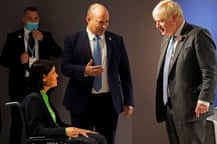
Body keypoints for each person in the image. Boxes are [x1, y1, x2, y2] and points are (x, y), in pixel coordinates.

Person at [61, 3, 134, 144]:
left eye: (107, 22)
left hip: (108, 102)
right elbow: (65, 67)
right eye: (100, 22)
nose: (104, 26)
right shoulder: (73, 40)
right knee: (82, 142)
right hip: (81, 102)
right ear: (88, 19)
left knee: (107, 140)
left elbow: (125, 72)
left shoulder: (116, 40)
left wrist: (129, 100)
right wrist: (84, 71)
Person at [152, 0, 217, 144]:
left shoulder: (199, 35)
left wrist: (204, 99)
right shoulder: (166, 39)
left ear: (175, 17)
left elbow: (210, 70)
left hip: (191, 109)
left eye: (161, 21)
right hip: (169, 107)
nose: (157, 26)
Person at [0, 6, 62, 144]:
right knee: (17, 122)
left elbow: (58, 53)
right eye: (30, 18)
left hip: (41, 85)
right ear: (24, 19)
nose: (33, 21)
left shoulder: (46, 36)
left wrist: (44, 39)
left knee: (42, 121)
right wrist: (18, 60)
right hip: (19, 85)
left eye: (35, 19)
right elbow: (3, 60)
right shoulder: (13, 37)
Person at [22, 59, 107, 144]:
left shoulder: (44, 97)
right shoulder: (33, 99)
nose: (57, 75)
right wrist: (65, 131)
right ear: (44, 77)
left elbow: (58, 124)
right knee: (90, 142)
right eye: (53, 73)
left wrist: (78, 130)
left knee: (100, 138)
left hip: (58, 137)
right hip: (51, 140)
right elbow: (36, 130)